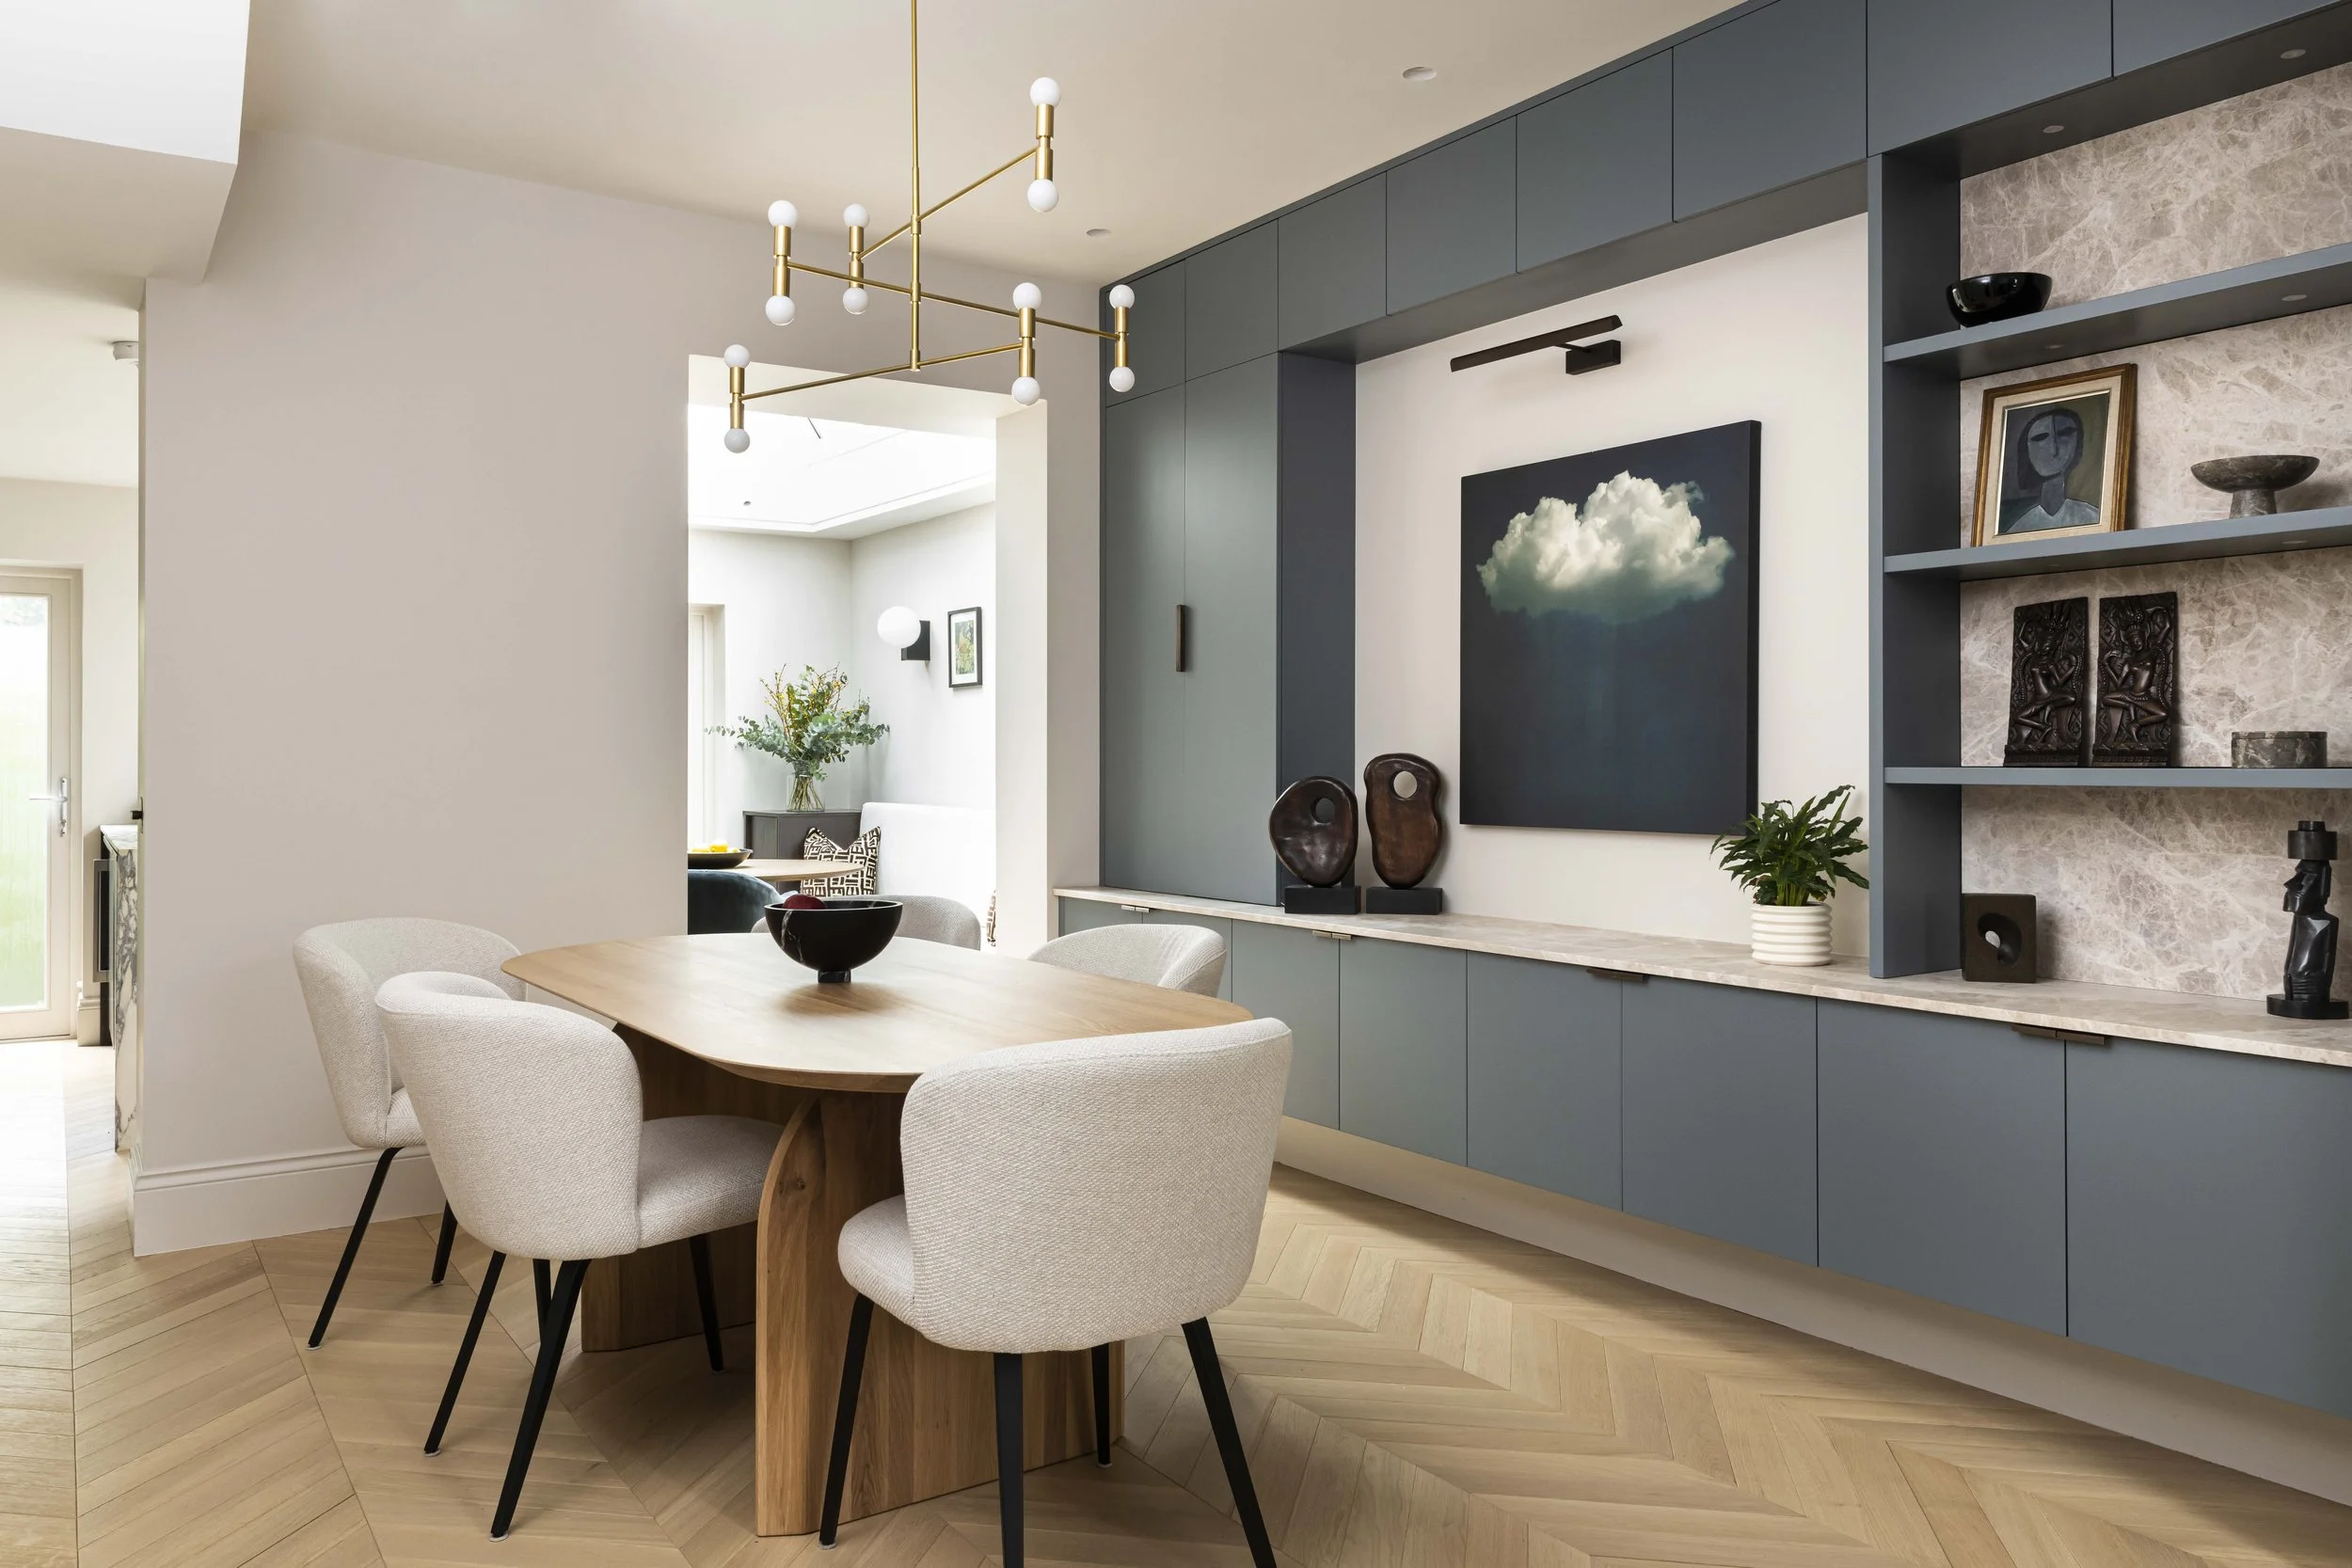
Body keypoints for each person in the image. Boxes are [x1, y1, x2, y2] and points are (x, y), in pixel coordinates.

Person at [2003, 404, 2101, 532]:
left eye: (2065, 434)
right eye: (2040, 438)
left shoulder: (2092, 518)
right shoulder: (2019, 528)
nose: (2053, 448)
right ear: (2026, 450)